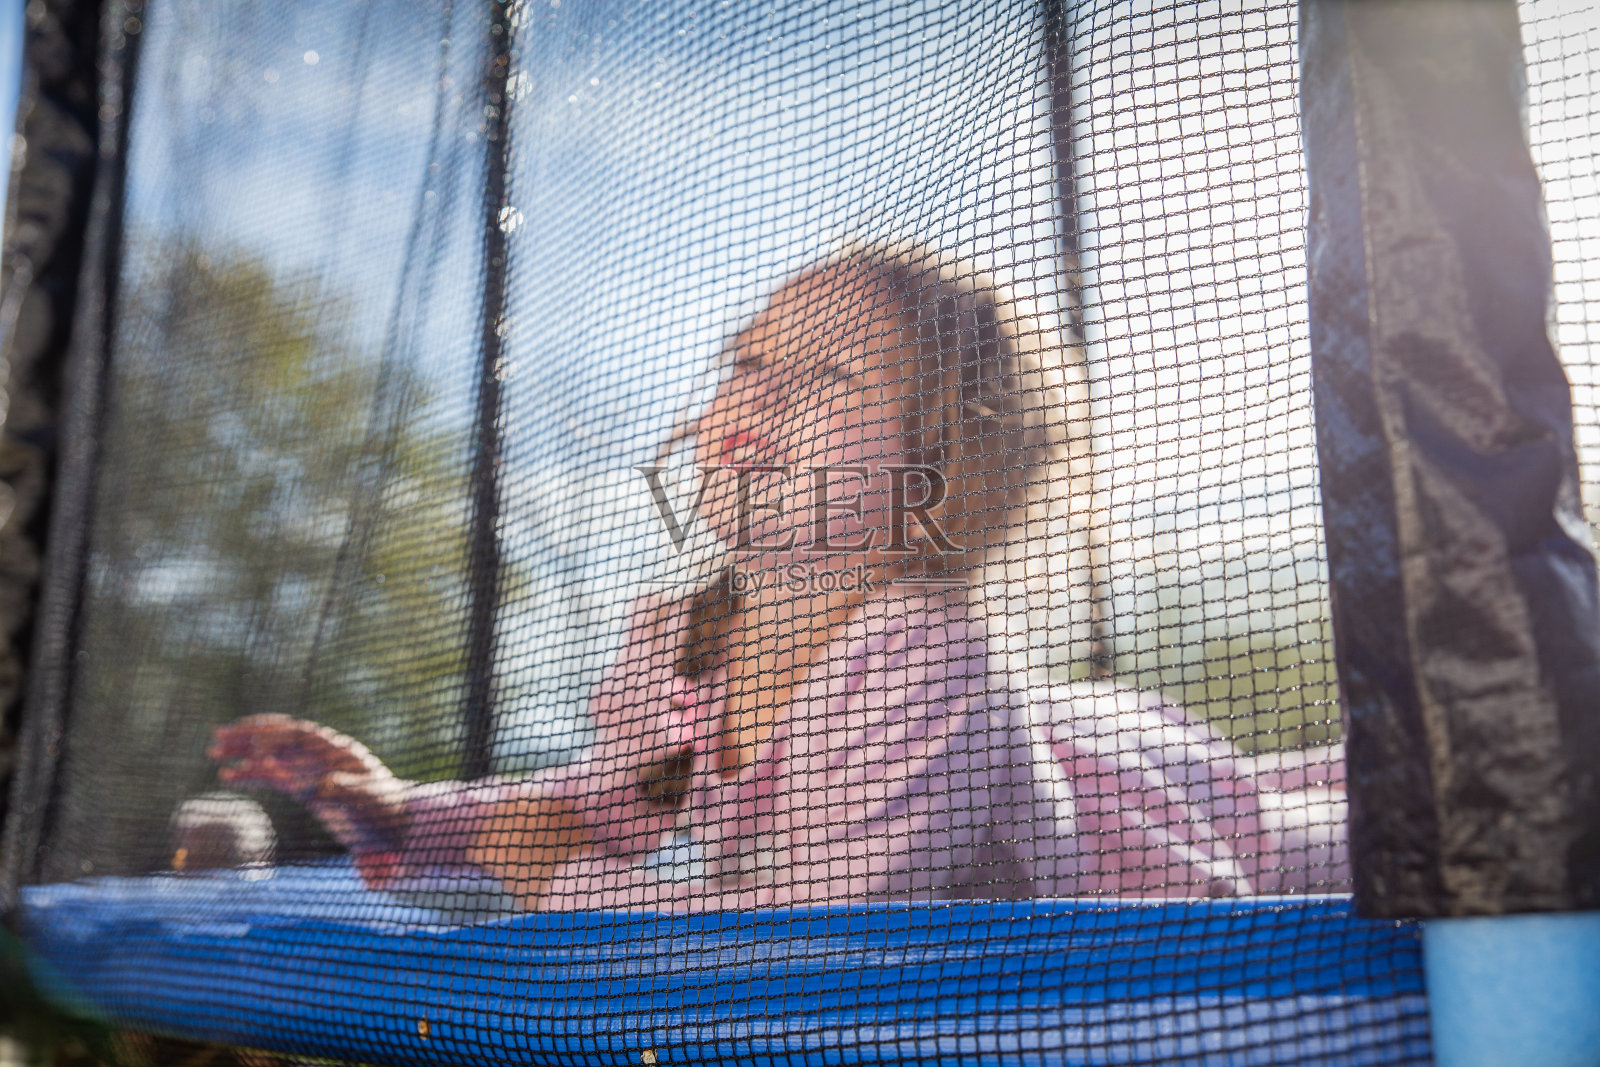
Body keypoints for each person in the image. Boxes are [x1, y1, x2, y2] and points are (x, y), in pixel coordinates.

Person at [210, 245, 1348, 910]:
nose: (759, 392)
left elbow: (817, 929)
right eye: (748, 361)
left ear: (941, 467)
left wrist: (555, 874)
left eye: (829, 376)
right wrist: (412, 808)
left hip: (1132, 834)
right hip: (1057, 741)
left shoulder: (922, 651)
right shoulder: (690, 644)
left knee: (1332, 828)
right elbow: (607, 804)